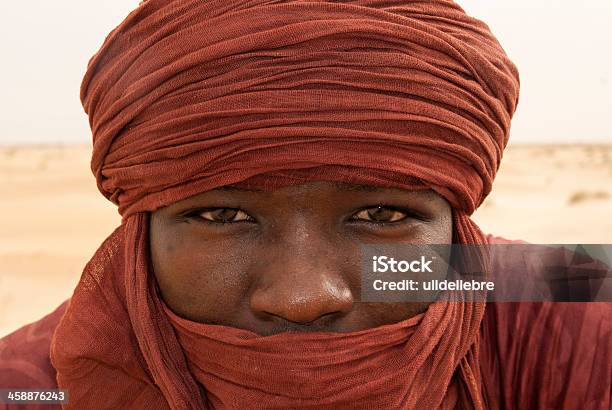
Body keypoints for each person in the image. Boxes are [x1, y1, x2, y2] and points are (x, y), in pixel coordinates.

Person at [0, 0, 610, 409]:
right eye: (223, 216)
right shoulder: (34, 385)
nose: (305, 297)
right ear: (141, 230)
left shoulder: (547, 295)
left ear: (457, 227)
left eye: (381, 216)